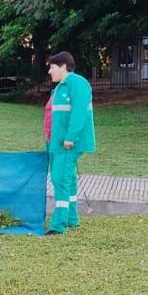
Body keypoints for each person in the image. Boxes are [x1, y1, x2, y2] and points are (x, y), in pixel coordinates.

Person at [45, 51, 96, 235]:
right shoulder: (60, 87)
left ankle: (58, 225)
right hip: (56, 142)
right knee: (68, 179)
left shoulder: (78, 84)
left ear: (63, 66)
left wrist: (70, 138)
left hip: (66, 144)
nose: (49, 71)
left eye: (52, 67)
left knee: (60, 179)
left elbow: (80, 113)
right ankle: (71, 218)